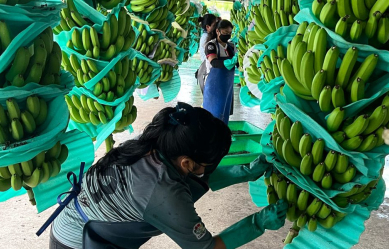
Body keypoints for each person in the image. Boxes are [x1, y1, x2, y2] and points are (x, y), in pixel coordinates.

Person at [48, 102, 287, 249]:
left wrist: (248, 171)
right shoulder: (163, 194)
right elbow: (206, 247)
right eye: (209, 164)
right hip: (79, 242)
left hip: (81, 223)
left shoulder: (156, 146)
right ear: (187, 162)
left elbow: (195, 177)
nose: (209, 169)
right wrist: (259, 223)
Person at [202, 20, 238, 125]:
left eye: (229, 33)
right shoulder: (211, 45)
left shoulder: (231, 46)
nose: (227, 35)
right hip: (214, 87)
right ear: (218, 31)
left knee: (224, 115)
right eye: (225, 32)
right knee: (213, 116)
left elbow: (238, 63)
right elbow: (214, 63)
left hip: (227, 87)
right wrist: (229, 62)